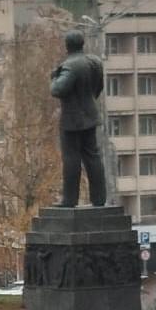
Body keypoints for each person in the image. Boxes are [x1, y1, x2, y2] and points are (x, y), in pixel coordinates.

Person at [50, 30, 107, 207]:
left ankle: (69, 199)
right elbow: (98, 87)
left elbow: (57, 90)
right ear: (82, 43)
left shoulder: (70, 65)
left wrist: (54, 78)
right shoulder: (95, 62)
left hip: (72, 121)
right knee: (93, 157)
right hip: (90, 116)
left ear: (67, 46)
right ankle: (99, 199)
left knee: (71, 158)